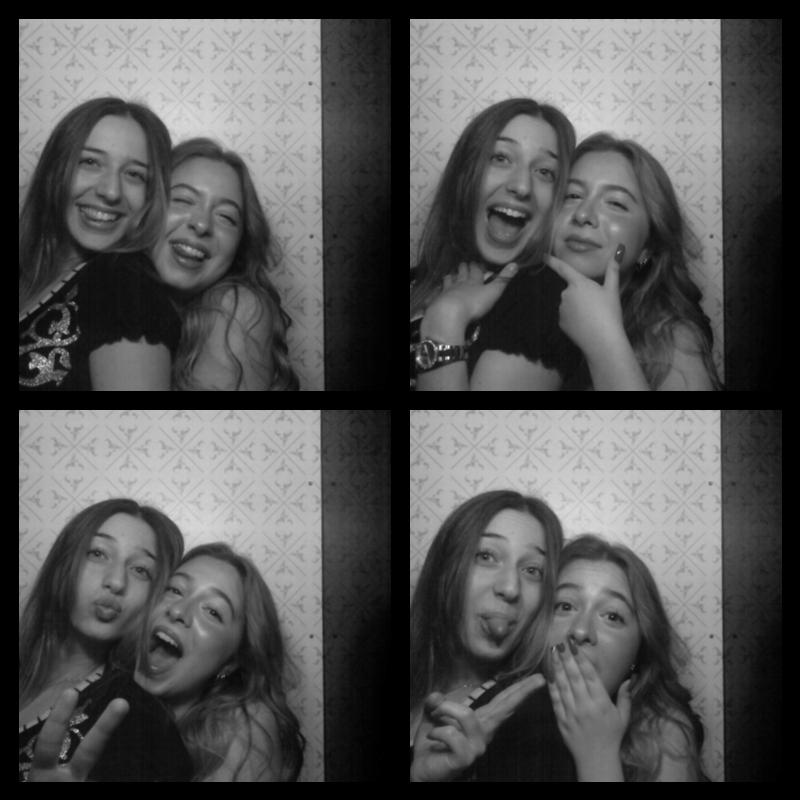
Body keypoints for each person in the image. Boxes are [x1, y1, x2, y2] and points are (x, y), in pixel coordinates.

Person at [417, 534, 709, 781]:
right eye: (565, 606)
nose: (580, 631)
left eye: (612, 616)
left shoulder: (664, 734)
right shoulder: (489, 711)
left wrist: (598, 756)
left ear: (640, 649)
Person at [471, 132, 723, 390]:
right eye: (572, 196)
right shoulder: (523, 300)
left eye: (616, 203)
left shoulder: (673, 339)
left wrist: (603, 341)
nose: (583, 215)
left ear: (649, 246)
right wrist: (450, 320)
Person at [410, 98, 577, 390]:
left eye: (545, 172)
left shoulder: (543, 300)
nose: (522, 187)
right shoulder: (416, 279)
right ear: (464, 174)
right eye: (501, 158)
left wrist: (445, 320)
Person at [19, 498, 190, 781]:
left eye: (141, 570)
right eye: (98, 553)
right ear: (62, 564)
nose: (117, 582)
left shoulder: (139, 720)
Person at [19, 97, 180, 390]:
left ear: (150, 195)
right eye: (90, 162)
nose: (111, 191)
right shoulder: (34, 270)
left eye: (134, 174)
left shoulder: (127, 288)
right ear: (54, 170)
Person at [410, 490, 563, 781]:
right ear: (444, 569)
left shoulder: (532, 719)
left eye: (533, 570)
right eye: (486, 556)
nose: (511, 588)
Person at [134, 543, 305, 781]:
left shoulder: (244, 730)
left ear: (231, 662)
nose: (178, 611)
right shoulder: (112, 692)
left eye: (213, 611)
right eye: (174, 589)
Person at [151, 139, 298, 390]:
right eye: (183, 200)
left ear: (240, 246)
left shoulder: (237, 308)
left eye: (226, 217)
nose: (202, 224)